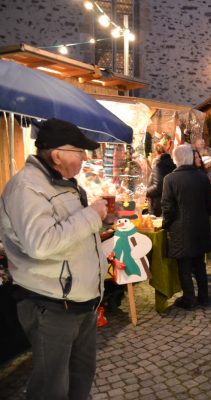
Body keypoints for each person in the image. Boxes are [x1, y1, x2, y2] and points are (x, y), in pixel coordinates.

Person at [0, 118, 108, 400]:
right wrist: (91, 216)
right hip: (52, 306)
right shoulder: (26, 187)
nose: (84, 158)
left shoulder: (64, 183)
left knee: (81, 376)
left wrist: (100, 222)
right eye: (80, 152)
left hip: (81, 302)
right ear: (57, 154)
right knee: (51, 388)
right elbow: (41, 244)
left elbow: (70, 233)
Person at [161, 144, 211, 309]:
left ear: (176, 159)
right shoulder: (202, 177)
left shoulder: (170, 179)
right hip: (200, 227)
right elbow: (209, 204)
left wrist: (165, 224)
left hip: (180, 229)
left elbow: (167, 207)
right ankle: (204, 296)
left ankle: (189, 299)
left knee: (184, 266)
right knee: (199, 263)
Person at [146, 143, 176, 216]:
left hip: (158, 205)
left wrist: (145, 192)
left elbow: (158, 186)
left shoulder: (158, 164)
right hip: (169, 204)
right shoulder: (172, 163)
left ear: (155, 153)